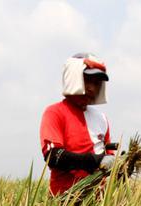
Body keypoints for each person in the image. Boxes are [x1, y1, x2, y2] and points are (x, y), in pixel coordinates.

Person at [39, 52, 117, 196]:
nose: (92, 88)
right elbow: (53, 156)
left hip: (98, 202)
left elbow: (109, 158)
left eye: (96, 83)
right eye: (87, 80)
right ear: (73, 79)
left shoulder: (101, 118)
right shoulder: (54, 113)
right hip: (65, 201)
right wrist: (96, 161)